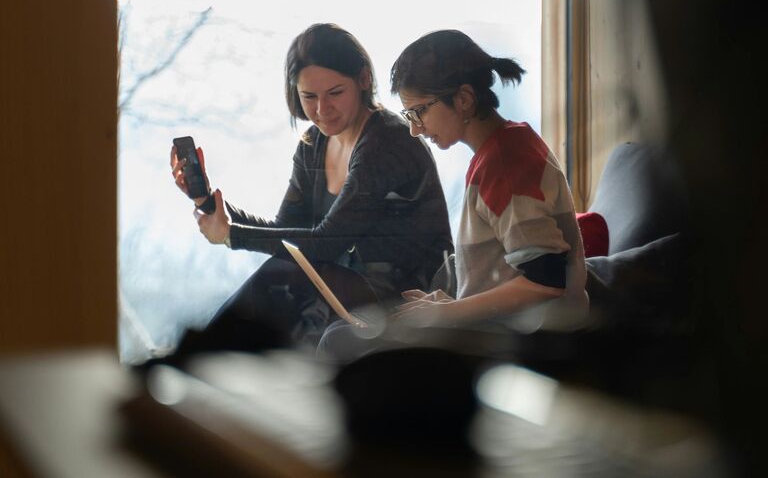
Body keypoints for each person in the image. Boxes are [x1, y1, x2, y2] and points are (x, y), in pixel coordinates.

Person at [168, 23, 452, 353]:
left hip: (409, 297)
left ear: (362, 80)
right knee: (283, 285)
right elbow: (288, 232)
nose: (321, 110)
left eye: (335, 93)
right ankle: (207, 363)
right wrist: (206, 200)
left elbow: (324, 245)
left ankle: (198, 358)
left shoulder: (389, 141)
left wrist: (232, 234)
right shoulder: (312, 143)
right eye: (309, 97)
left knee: (283, 277)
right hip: (339, 288)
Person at [318, 29, 588, 361]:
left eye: (419, 112)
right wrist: (449, 304)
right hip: (494, 330)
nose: (415, 129)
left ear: (463, 99)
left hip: (517, 344)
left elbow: (546, 281)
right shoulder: (502, 148)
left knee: (341, 341)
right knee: (345, 332)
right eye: (409, 116)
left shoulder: (506, 165)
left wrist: (449, 314)